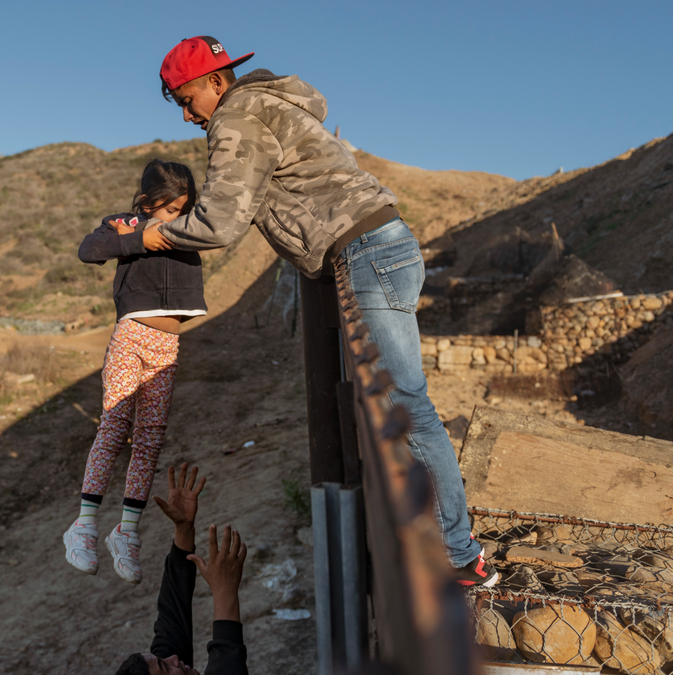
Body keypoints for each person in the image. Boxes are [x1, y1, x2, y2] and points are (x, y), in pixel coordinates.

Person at [123, 36, 497, 587]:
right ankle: (440, 537)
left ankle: (459, 555)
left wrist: (152, 237)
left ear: (216, 83)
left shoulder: (236, 118)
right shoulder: (270, 107)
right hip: (380, 247)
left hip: (367, 253)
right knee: (396, 401)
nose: (186, 114)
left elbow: (221, 222)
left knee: (405, 404)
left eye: (187, 98)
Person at [63, 160, 207, 584]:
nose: (175, 218)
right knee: (114, 424)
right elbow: (89, 250)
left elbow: (222, 223)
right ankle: (84, 525)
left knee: (150, 437)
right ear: (146, 203)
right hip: (130, 335)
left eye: (183, 208)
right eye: (168, 210)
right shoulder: (126, 223)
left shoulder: (193, 226)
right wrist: (139, 238)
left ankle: (126, 532)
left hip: (167, 344)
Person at [114, 463, 248, 675]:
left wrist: (184, 530)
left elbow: (172, 611)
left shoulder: (169, 666)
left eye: (162, 660)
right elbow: (227, 665)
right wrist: (224, 591)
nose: (174, 658)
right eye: (166, 667)